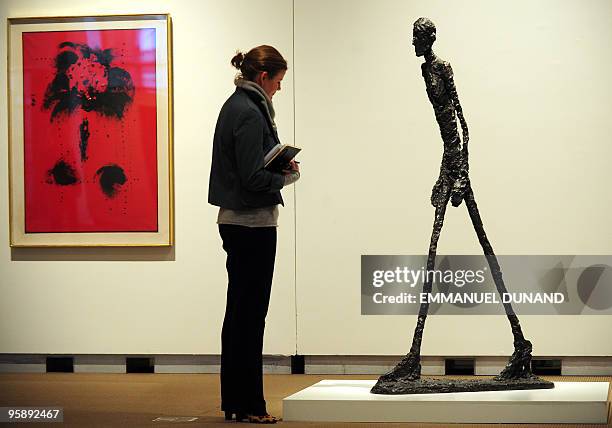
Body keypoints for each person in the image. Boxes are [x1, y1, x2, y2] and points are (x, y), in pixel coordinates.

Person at [208, 45, 299, 424]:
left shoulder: (240, 106)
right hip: (251, 225)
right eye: (278, 81)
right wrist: (287, 174)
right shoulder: (247, 111)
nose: (279, 89)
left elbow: (246, 165)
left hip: (242, 223)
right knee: (249, 316)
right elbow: (251, 176)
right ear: (264, 77)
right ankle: (249, 405)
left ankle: (239, 403)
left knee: (241, 314)